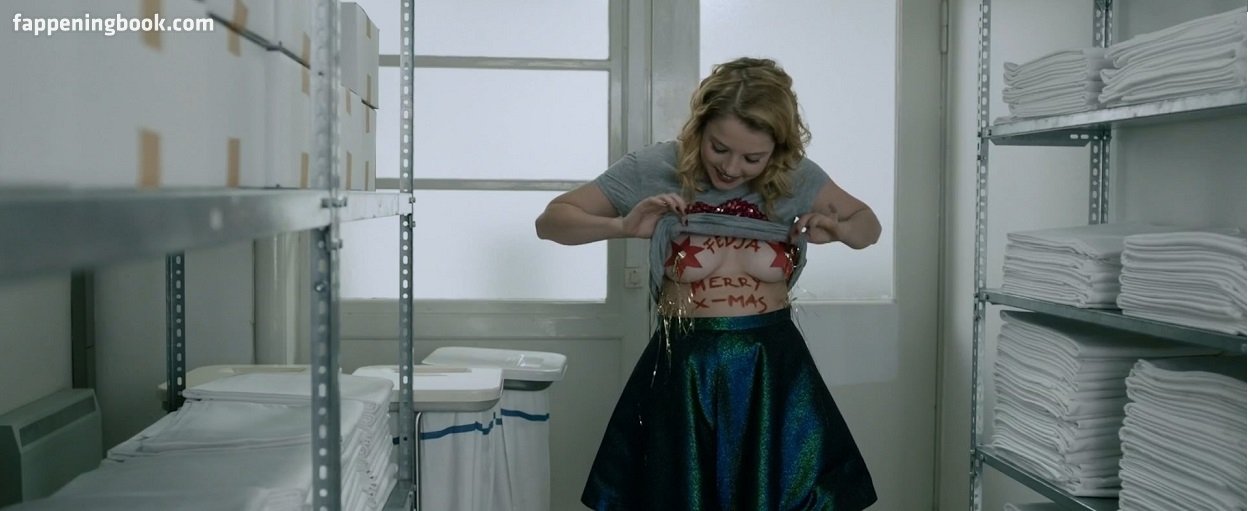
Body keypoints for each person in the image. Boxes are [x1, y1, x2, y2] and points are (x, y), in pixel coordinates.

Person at [535, 57, 880, 510]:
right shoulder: (653, 166)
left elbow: (868, 225)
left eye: (752, 158)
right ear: (699, 126)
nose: (732, 169)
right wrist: (622, 226)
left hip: (772, 366)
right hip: (686, 365)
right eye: (719, 148)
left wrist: (841, 230)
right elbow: (551, 222)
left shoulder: (795, 176)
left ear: (776, 149)